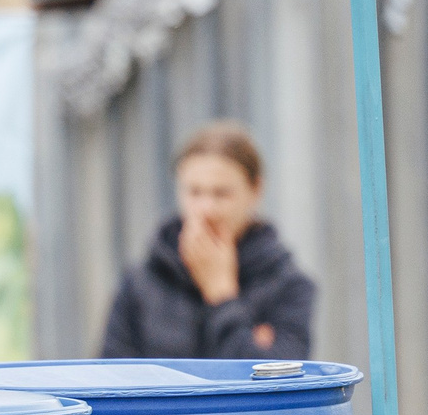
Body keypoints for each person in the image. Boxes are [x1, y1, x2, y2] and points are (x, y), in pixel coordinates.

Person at [99, 121, 315, 361]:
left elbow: (281, 378)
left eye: (221, 194)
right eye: (195, 192)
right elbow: (112, 375)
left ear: (255, 190)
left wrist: (222, 296)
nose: (206, 209)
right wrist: (250, 338)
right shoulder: (141, 283)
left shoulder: (288, 285)